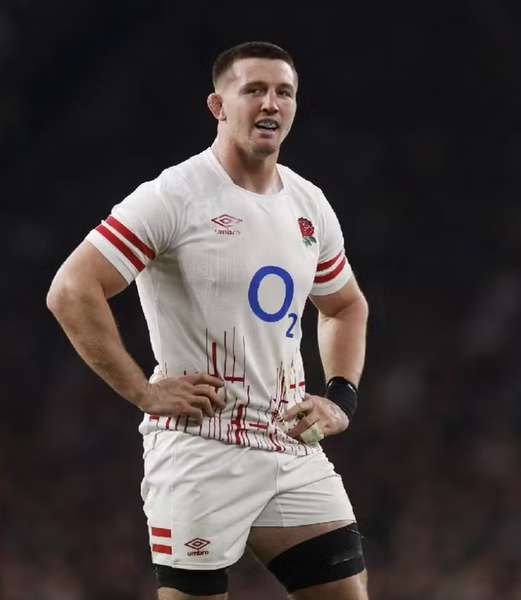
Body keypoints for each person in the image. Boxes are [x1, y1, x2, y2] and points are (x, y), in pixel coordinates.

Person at [47, 41, 370, 600]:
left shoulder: (308, 203)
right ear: (219, 106)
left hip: (290, 443)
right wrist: (143, 393)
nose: (271, 104)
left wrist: (340, 399)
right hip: (202, 449)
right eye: (254, 90)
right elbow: (72, 290)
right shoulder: (175, 195)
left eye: (283, 92)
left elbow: (344, 306)